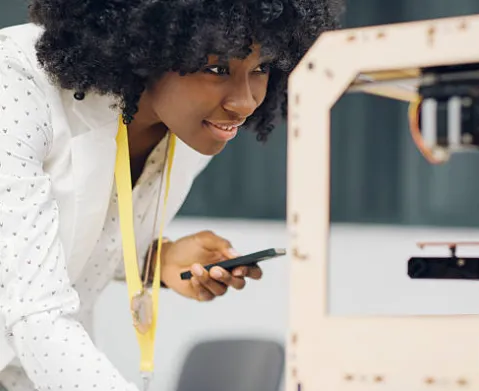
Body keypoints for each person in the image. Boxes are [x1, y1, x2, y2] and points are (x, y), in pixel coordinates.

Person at [0, 0, 342, 389]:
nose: (244, 101)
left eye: (261, 68)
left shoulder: (195, 128)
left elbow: (71, 236)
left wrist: (157, 261)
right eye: (217, 69)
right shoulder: (14, 82)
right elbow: (34, 310)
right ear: (147, 46)